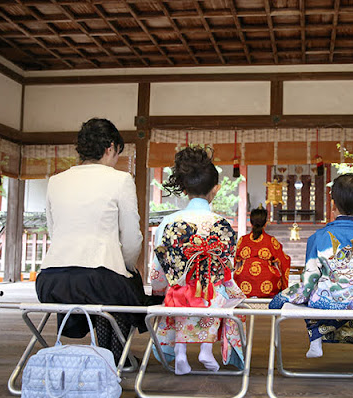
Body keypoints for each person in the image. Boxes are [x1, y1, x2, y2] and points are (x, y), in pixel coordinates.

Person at [36, 118, 148, 363]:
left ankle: (103, 354)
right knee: (124, 284)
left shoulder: (56, 181)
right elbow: (131, 238)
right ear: (110, 147)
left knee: (111, 283)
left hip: (51, 281)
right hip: (98, 280)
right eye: (117, 153)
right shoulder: (120, 180)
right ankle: (116, 356)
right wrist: (128, 267)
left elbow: (54, 232)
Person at [269, 173, 353, 360]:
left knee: (311, 293)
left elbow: (310, 278)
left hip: (326, 301)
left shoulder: (318, 238)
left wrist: (284, 297)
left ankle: (316, 338)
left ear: (333, 205)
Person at [151, 146, 245, 375]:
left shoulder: (169, 221)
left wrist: (162, 287)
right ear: (216, 189)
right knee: (224, 298)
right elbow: (227, 268)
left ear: (184, 189)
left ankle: (180, 353)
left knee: (177, 297)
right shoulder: (222, 223)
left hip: (179, 293)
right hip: (211, 295)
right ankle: (207, 349)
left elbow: (159, 269)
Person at [234, 205, 291, 298]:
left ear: (251, 223)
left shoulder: (243, 240)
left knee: (240, 275)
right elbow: (284, 260)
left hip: (244, 282)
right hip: (267, 282)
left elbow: (235, 260)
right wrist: (284, 288)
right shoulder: (271, 240)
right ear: (265, 223)